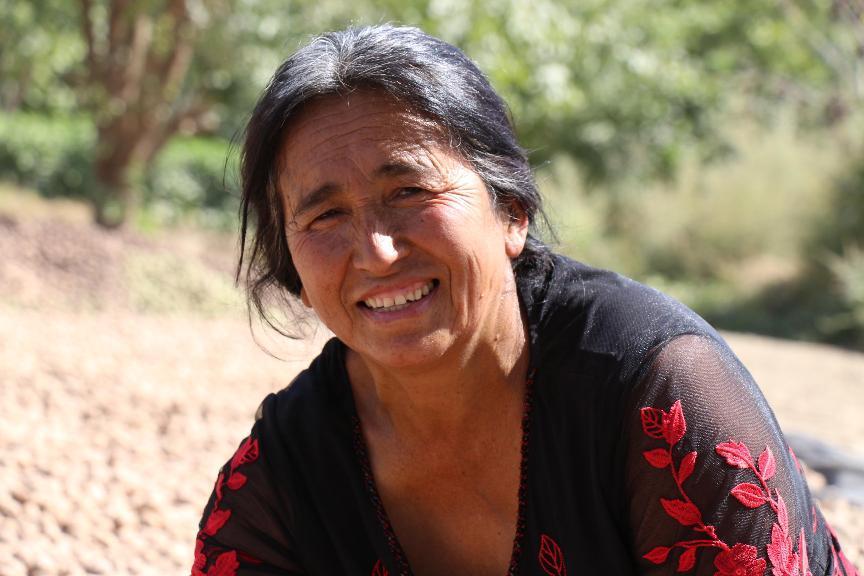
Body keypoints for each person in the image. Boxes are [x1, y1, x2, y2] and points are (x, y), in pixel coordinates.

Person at [192, 25, 860, 576]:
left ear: (511, 211)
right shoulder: (288, 473)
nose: (376, 252)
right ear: (294, 268)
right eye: (325, 216)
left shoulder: (657, 400)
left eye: (409, 192)